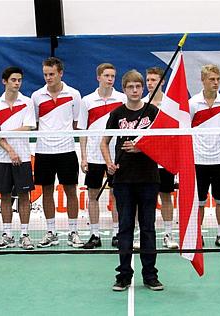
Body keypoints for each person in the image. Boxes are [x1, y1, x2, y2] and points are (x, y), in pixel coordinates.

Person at [101, 70, 163, 292]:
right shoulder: (117, 114)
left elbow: (163, 142)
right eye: (130, 87)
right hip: (123, 179)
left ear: (143, 88)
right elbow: (104, 142)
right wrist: (109, 163)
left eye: (138, 86)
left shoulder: (153, 112)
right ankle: (124, 275)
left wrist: (141, 148)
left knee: (148, 228)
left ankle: (150, 275)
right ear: (124, 89)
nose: (135, 90)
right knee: (125, 227)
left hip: (148, 178)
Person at [31, 57, 84, 248]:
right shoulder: (36, 96)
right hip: (43, 151)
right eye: (45, 74)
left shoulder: (74, 94)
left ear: (61, 73)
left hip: (66, 150)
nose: (48, 78)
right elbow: (35, 123)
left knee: (71, 191)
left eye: (52, 74)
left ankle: (73, 231)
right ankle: (51, 232)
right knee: (47, 191)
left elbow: (76, 122)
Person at [0, 66, 37, 250]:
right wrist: (10, 151)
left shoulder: (27, 102)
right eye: (13, 80)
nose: (17, 83)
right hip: (2, 158)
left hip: (23, 157)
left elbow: (28, 127)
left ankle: (24, 235)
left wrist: (5, 133)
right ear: (4, 81)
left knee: (24, 196)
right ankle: (7, 234)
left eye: (19, 80)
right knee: (5, 196)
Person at [78, 63, 124, 249]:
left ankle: (117, 234)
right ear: (98, 77)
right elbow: (82, 131)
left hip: (115, 156)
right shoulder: (87, 101)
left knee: (116, 195)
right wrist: (83, 157)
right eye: (106, 75)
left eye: (112, 76)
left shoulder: (122, 99)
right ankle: (94, 234)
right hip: (94, 156)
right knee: (93, 195)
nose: (110, 79)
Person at [189, 64, 220, 248]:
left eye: (217, 79)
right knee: (199, 201)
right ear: (203, 80)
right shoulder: (192, 103)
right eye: (211, 79)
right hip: (198, 160)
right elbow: (186, 131)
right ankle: (197, 235)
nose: (216, 83)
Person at [144, 66, 178, 249]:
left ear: (162, 81)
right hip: (145, 160)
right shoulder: (140, 103)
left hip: (165, 159)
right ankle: (141, 235)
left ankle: (168, 235)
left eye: (154, 80)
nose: (150, 83)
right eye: (148, 80)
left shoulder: (171, 105)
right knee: (143, 199)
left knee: (166, 197)